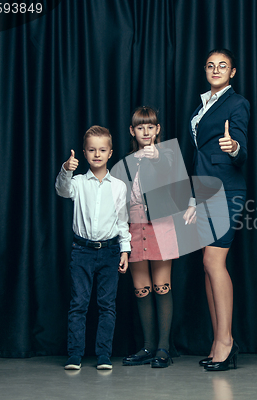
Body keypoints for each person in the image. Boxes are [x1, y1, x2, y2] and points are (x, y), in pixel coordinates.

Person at [183, 48, 250, 371]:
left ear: (232, 73)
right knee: (207, 265)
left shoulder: (237, 103)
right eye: (211, 65)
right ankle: (217, 339)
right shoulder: (202, 105)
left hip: (226, 189)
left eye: (222, 66)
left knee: (214, 260)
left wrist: (234, 147)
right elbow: (200, 156)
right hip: (205, 190)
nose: (216, 69)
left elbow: (239, 146)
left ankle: (227, 341)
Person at [55, 125, 131, 371]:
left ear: (110, 153)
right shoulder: (77, 182)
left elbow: (122, 221)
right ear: (85, 154)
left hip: (110, 252)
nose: (96, 154)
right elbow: (62, 190)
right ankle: (74, 355)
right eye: (91, 150)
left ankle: (103, 356)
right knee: (79, 304)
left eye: (102, 150)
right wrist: (66, 170)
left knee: (107, 305)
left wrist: (125, 250)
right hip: (82, 251)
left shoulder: (119, 186)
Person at [111, 106, 179, 368]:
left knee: (162, 285)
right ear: (132, 131)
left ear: (158, 129)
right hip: (133, 228)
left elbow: (176, 184)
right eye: (141, 127)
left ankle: (164, 347)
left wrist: (156, 158)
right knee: (141, 288)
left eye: (151, 126)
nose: (146, 131)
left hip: (161, 225)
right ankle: (148, 346)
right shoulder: (122, 164)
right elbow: (116, 202)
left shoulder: (168, 155)